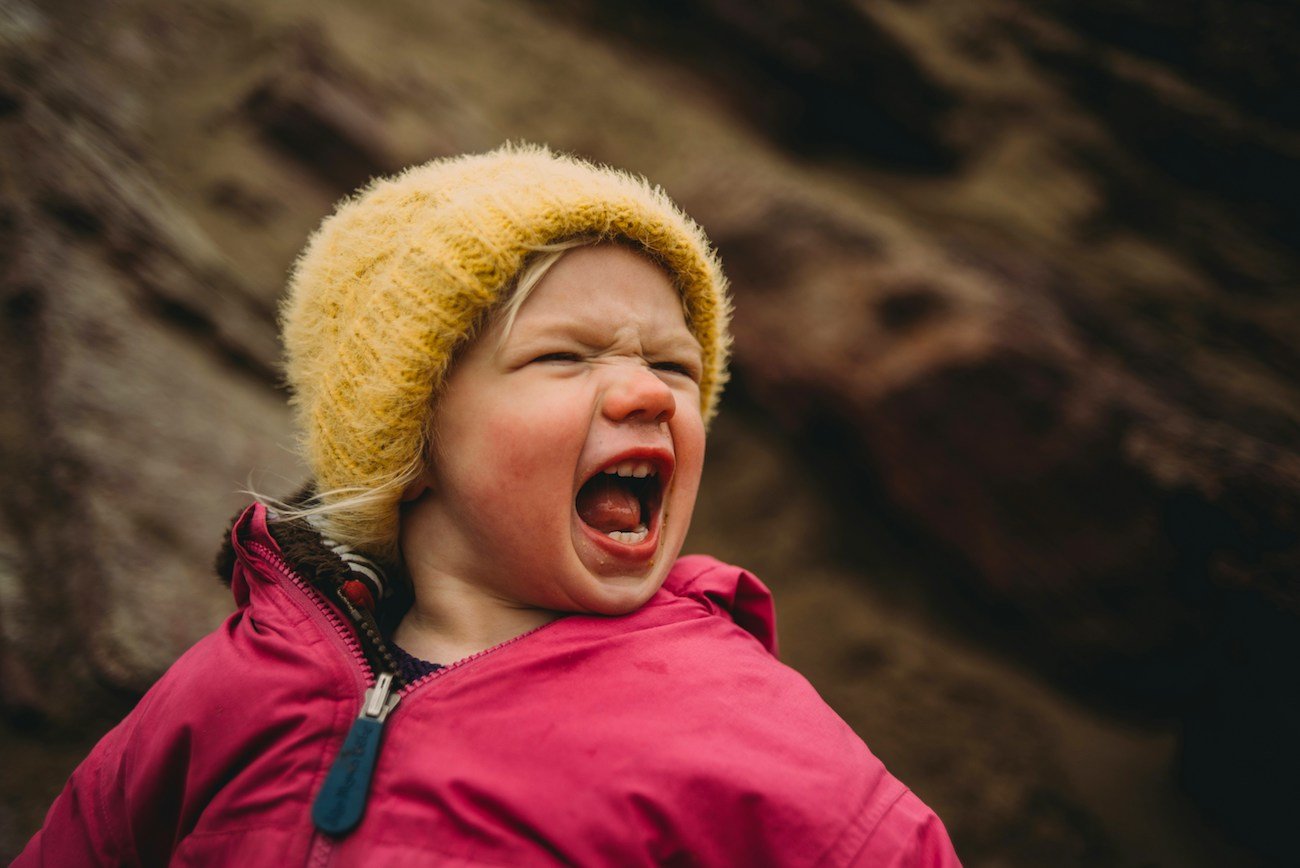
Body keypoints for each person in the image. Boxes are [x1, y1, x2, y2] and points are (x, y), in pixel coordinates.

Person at [17, 144, 960, 866]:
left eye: (675, 365)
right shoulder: (234, 687)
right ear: (409, 441)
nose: (648, 393)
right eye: (566, 356)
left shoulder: (751, 735)